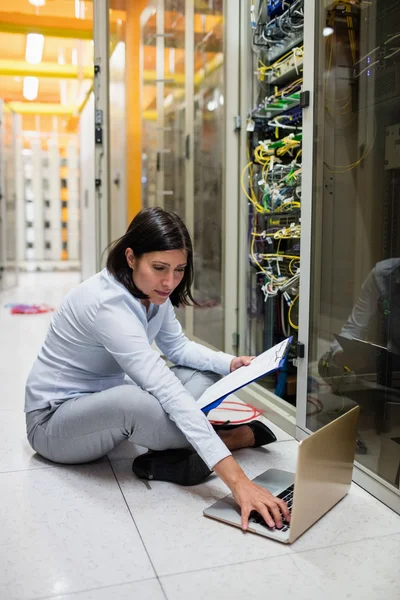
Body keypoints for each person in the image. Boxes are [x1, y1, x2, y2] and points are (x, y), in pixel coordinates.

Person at [25, 207, 289, 531]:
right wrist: (238, 482)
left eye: (179, 270)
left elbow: (177, 348)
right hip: (53, 423)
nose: (169, 282)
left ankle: (181, 447)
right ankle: (225, 439)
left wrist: (230, 363)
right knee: (136, 400)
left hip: (104, 401)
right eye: (160, 268)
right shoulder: (107, 304)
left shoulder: (153, 293)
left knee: (202, 374)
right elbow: (163, 386)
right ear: (131, 257)